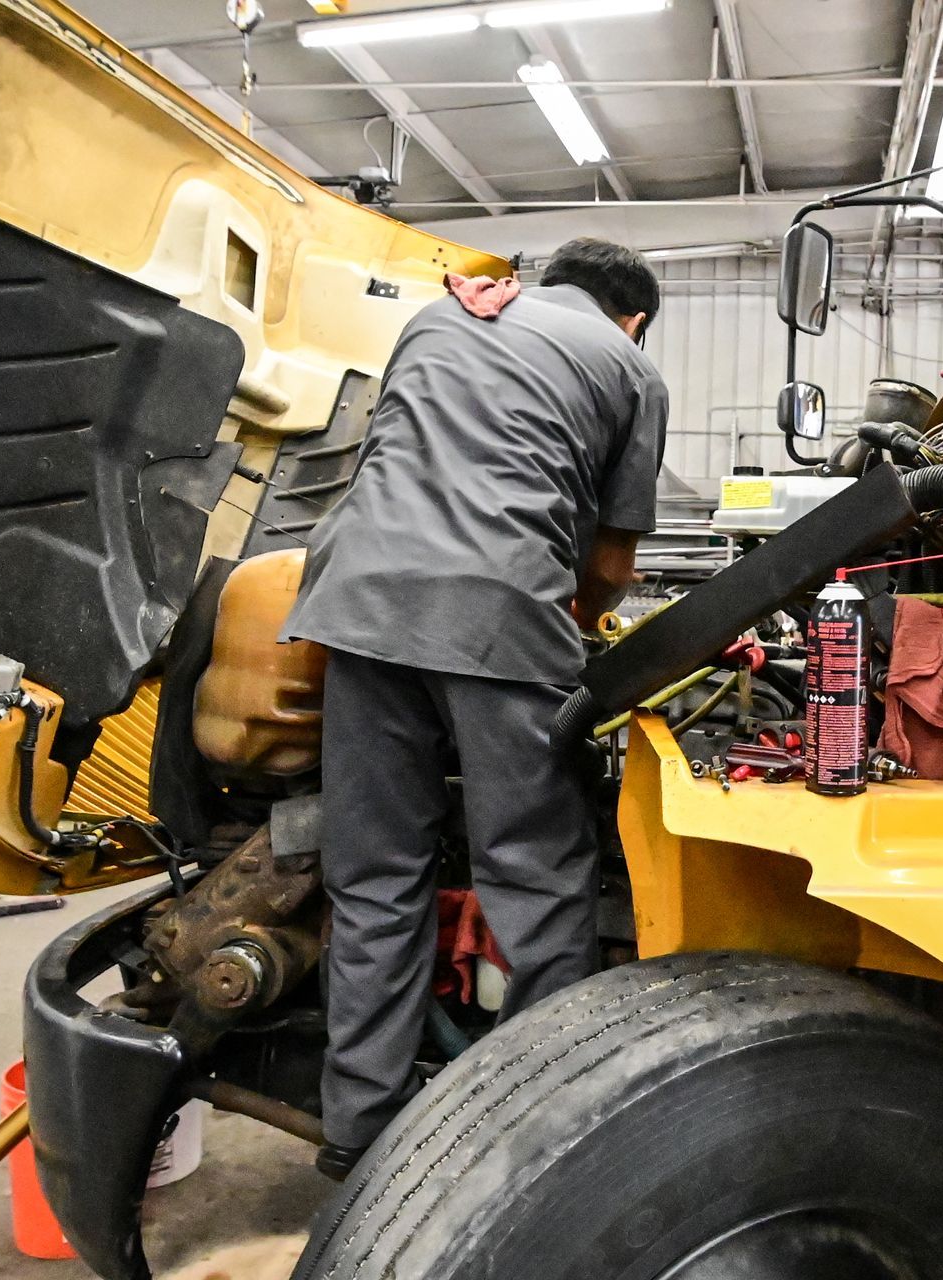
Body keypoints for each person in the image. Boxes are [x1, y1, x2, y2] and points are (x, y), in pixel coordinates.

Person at [278, 237, 668, 1178]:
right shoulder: (627, 366)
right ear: (635, 319)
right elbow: (611, 564)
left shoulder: (437, 317)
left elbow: (387, 466)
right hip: (498, 619)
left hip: (360, 609)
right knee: (534, 879)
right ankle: (541, 1141)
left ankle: (356, 1129)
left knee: (374, 877)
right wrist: (578, 622)